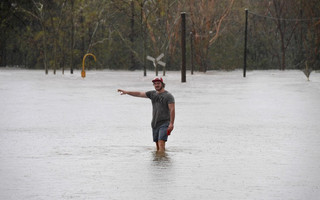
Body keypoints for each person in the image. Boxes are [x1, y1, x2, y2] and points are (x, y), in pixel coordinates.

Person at [118, 77, 175, 153]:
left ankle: (163, 162)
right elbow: (139, 94)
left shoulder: (168, 96)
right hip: (155, 123)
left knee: (161, 143)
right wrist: (127, 92)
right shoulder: (152, 94)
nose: (156, 85)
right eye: (155, 84)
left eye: (158, 83)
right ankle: (159, 161)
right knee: (157, 146)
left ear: (162, 84)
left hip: (165, 123)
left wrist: (171, 123)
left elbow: (172, 110)